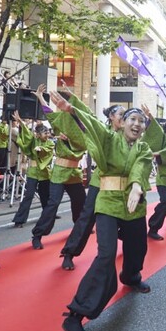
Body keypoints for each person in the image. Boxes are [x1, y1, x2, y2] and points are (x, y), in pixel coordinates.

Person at [48, 91, 153, 331]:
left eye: (141, 122)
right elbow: (92, 125)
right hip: (107, 202)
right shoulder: (107, 138)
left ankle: (131, 277)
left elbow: (142, 165)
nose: (137, 124)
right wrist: (72, 111)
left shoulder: (144, 148)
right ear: (122, 122)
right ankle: (75, 315)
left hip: (133, 204)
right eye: (132, 119)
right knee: (106, 255)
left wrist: (138, 186)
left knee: (137, 246)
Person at [59, 101, 125, 271]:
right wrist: (73, 111)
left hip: (122, 185)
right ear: (111, 117)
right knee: (87, 217)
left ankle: (129, 246)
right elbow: (87, 123)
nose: (124, 119)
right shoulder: (102, 131)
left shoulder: (128, 135)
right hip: (101, 181)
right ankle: (69, 252)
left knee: (127, 217)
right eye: (121, 115)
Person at [28, 85, 86, 250]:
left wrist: (73, 95)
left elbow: (83, 138)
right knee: (53, 203)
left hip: (74, 171)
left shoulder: (83, 122)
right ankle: (37, 234)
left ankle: (80, 229)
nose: (61, 105)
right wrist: (40, 96)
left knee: (80, 202)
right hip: (60, 171)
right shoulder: (60, 119)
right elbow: (48, 111)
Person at [10, 109, 53, 228]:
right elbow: (27, 135)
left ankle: (48, 216)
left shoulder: (50, 143)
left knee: (45, 195)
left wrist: (42, 150)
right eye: (45, 133)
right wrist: (20, 122)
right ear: (38, 134)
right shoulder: (33, 140)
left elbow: (48, 152)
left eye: (47, 132)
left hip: (45, 172)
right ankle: (20, 219)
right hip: (33, 172)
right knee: (28, 195)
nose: (47, 135)